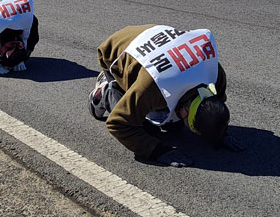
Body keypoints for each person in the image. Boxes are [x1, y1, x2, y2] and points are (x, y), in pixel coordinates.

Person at [88, 25, 244, 168]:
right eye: (189, 122)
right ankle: (106, 91)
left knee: (174, 129)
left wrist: (220, 132)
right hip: (117, 49)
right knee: (145, 130)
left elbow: (216, 105)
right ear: (187, 109)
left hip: (155, 39)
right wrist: (157, 151)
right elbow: (118, 124)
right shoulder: (152, 88)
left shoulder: (213, 73)